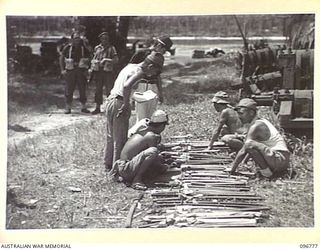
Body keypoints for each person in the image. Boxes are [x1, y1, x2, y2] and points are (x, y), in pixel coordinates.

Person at [104, 51, 165, 172]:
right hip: (119, 103)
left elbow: (127, 87)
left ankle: (108, 164)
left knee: (111, 136)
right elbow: (127, 86)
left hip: (111, 101)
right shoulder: (140, 71)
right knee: (120, 139)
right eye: (153, 72)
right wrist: (126, 105)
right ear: (150, 66)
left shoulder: (130, 66)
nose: (151, 75)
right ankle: (117, 171)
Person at [229, 98, 291, 178]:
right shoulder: (260, 122)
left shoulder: (256, 126)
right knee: (250, 144)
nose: (239, 116)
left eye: (241, 113)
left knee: (249, 144)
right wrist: (244, 162)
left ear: (251, 113)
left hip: (279, 159)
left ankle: (267, 174)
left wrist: (232, 169)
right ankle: (268, 172)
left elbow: (245, 149)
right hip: (281, 159)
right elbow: (250, 150)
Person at [109, 110, 169, 190]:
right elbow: (154, 158)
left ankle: (137, 177)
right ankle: (137, 180)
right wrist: (163, 164)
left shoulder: (144, 131)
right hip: (126, 169)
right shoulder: (151, 136)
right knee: (153, 151)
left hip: (124, 167)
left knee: (157, 162)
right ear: (161, 126)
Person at [130, 36, 173, 104]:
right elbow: (130, 70)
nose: (164, 53)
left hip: (152, 87)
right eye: (164, 50)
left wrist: (160, 92)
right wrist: (131, 91)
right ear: (159, 45)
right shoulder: (140, 53)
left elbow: (158, 75)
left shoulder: (159, 58)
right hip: (139, 85)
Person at [59, 31, 91, 114]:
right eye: (75, 38)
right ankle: (68, 107)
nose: (77, 40)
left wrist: (88, 68)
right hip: (70, 71)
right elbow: (61, 58)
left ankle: (83, 107)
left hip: (81, 71)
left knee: (82, 89)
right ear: (72, 39)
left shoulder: (83, 48)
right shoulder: (68, 48)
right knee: (69, 89)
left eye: (78, 38)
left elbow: (90, 58)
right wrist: (62, 70)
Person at [90, 32, 119, 114]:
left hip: (108, 72)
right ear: (100, 39)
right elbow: (93, 58)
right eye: (103, 38)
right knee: (98, 90)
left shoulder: (112, 48)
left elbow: (116, 60)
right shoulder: (97, 48)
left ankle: (109, 108)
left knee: (109, 90)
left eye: (106, 38)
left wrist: (107, 60)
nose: (104, 40)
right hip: (98, 71)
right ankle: (97, 107)